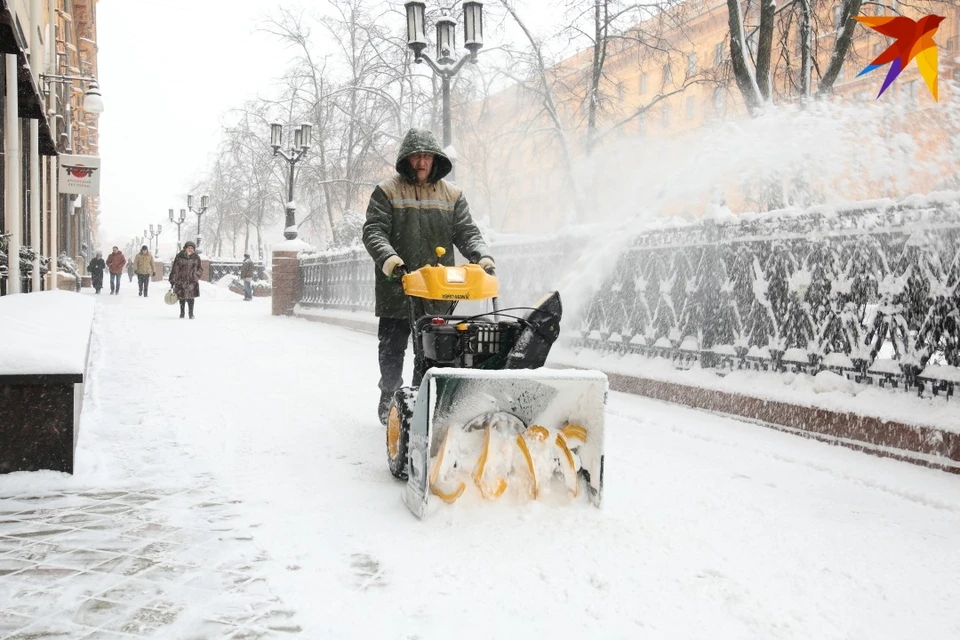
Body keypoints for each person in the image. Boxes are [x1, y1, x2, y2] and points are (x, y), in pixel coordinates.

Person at [362, 128, 494, 425]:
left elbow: (466, 232)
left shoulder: (452, 195)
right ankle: (390, 397)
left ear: (436, 159)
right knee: (393, 349)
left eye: (426, 156)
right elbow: (374, 231)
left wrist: (481, 256)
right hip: (397, 287)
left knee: (433, 350)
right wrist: (391, 261)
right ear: (406, 159)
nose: (421, 162)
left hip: (437, 291)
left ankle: (420, 402)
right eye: (415, 157)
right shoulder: (387, 191)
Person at [169, 240, 203, 319]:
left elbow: (200, 269)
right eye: (189, 248)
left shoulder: (196, 257)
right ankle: (182, 313)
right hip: (181, 280)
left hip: (192, 280)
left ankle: (191, 314)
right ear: (185, 248)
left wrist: (196, 275)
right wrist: (173, 279)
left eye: (192, 248)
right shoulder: (179, 256)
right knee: (182, 297)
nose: (190, 249)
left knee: (191, 297)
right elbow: (175, 268)